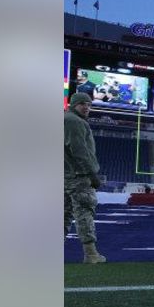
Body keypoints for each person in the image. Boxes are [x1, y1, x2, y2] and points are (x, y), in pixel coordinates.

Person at [64, 92, 106, 264]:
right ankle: (90, 254)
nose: (87, 107)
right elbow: (80, 151)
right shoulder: (74, 121)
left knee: (63, 215)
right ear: (73, 105)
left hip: (66, 175)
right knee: (84, 212)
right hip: (79, 176)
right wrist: (92, 174)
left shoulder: (66, 119)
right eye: (82, 104)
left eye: (89, 104)